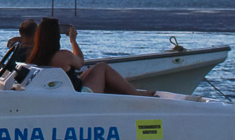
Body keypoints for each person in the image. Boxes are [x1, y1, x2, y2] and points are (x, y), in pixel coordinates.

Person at [26, 17, 154, 96]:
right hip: (80, 97)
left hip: (62, 93)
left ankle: (128, 94)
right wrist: (73, 40)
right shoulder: (63, 56)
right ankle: (135, 94)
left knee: (89, 71)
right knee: (101, 67)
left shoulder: (34, 56)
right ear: (55, 36)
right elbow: (80, 62)